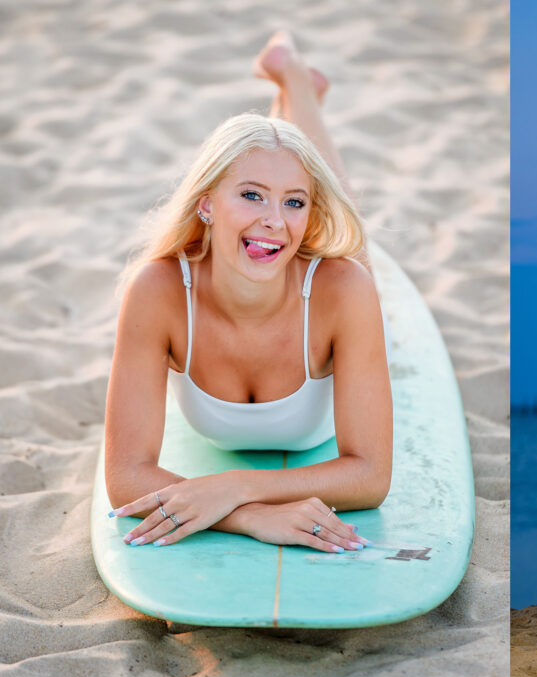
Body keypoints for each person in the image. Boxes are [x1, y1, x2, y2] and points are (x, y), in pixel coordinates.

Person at [104, 32, 392, 556]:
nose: (275, 223)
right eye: (251, 195)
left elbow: (370, 476)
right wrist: (253, 517)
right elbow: (125, 476)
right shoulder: (157, 290)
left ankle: (297, 83)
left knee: (353, 236)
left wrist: (234, 485)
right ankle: (295, 84)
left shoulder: (342, 289)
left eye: (295, 203)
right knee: (287, 160)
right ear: (207, 203)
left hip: (322, 297)